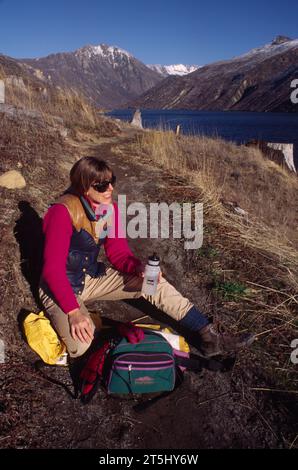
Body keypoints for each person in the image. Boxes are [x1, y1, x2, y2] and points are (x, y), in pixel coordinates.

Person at [38, 156, 254, 359]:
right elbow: (52, 271)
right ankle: (83, 322)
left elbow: (118, 253)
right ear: (84, 187)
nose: (111, 188)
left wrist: (138, 267)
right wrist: (74, 312)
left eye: (112, 181)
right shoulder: (62, 212)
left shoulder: (109, 209)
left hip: (92, 277)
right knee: (81, 346)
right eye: (102, 185)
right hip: (60, 285)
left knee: (153, 282)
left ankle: (209, 336)